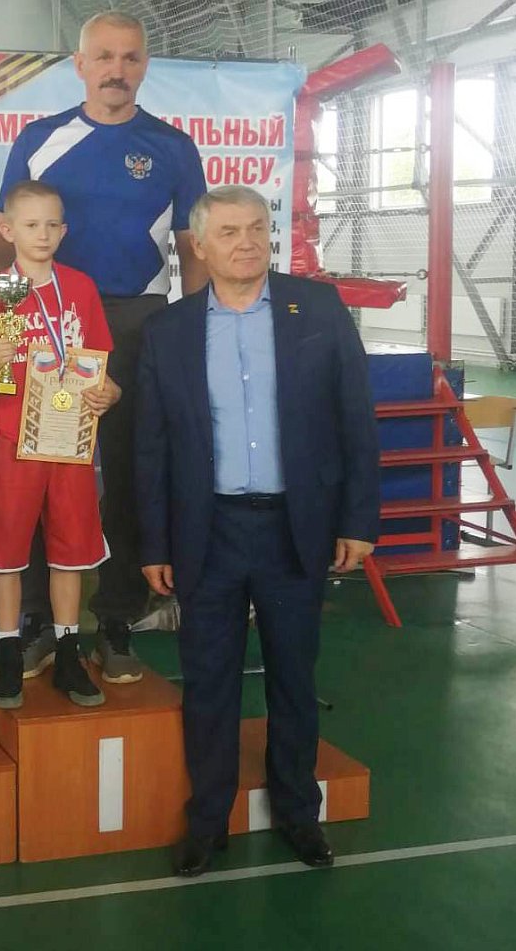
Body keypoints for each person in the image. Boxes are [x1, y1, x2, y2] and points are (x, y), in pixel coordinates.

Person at [135, 185, 380, 877]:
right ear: (199, 246)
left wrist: (358, 520)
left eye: (256, 228)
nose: (246, 242)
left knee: (293, 678)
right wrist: (155, 543)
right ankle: (207, 821)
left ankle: (300, 813)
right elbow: (150, 447)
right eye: (229, 232)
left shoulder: (319, 310)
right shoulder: (169, 331)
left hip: (294, 529)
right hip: (207, 533)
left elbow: (355, 419)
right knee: (208, 682)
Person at [0, 11, 206, 685]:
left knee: (128, 471)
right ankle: (39, 623)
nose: (116, 70)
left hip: (132, 322)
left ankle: (117, 619)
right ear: (79, 65)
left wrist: (195, 332)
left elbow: (193, 251)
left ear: (145, 66)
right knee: (40, 463)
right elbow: (1, 234)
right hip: (44, 315)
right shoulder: (39, 140)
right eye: (103, 56)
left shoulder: (172, 146)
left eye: (130, 58)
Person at [0, 181, 120, 708]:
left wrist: (110, 393)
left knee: (71, 551)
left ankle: (69, 652)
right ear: (8, 230)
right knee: (7, 551)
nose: (44, 234)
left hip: (70, 438)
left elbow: (100, 368)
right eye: (32, 225)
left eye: (53, 224)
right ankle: (9, 652)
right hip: (13, 436)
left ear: (65, 230)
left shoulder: (81, 288)